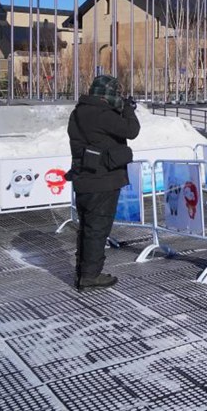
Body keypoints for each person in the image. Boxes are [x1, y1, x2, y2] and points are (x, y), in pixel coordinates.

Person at [66, 75, 140, 291]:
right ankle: (90, 276)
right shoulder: (103, 114)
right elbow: (131, 130)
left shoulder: (79, 111)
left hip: (84, 178)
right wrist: (128, 108)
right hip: (102, 180)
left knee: (87, 228)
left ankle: (83, 272)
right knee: (97, 229)